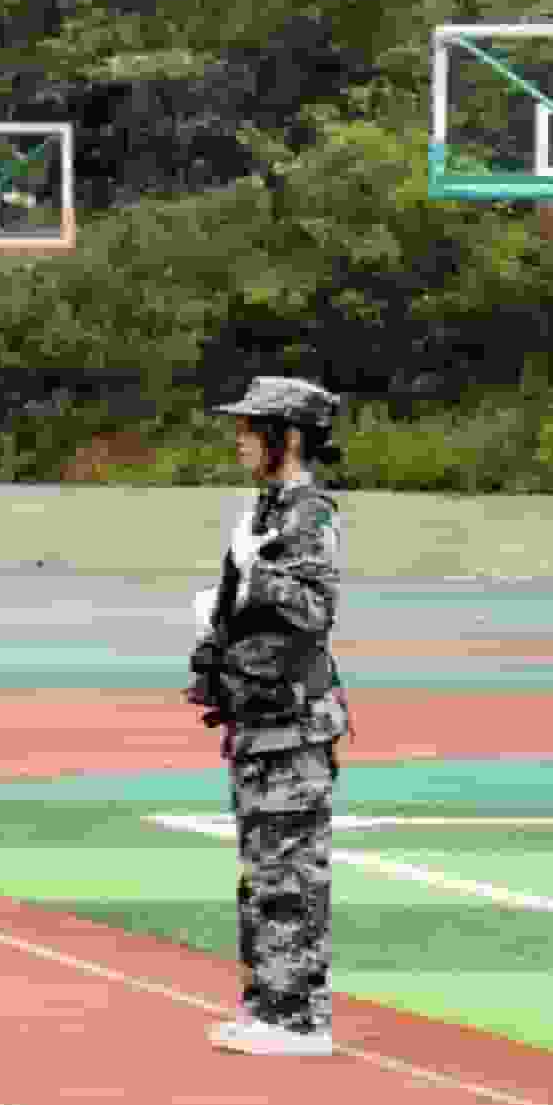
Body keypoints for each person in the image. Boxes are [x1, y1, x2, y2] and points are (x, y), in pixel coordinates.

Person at [192, 379, 352, 1058]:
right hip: (261, 716)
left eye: (250, 428)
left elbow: (316, 610)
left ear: (285, 437)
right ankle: (268, 1005)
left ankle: (300, 1017)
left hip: (294, 721)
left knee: (291, 873)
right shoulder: (268, 509)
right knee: (262, 871)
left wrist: (255, 576)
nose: (239, 440)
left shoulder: (308, 512)